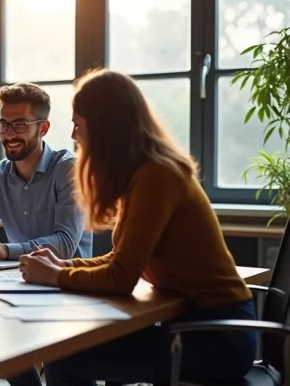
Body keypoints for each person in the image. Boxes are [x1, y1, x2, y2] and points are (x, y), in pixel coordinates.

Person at [18, 68, 256, 385]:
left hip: (217, 337)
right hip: (193, 324)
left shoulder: (157, 176)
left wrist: (56, 275)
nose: (74, 136)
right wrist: (65, 264)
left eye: (78, 124)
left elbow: (120, 278)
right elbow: (122, 258)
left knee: (66, 354)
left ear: (104, 127)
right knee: (84, 346)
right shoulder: (144, 173)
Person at [0, 82, 93, 263]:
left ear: (43, 128)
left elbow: (65, 245)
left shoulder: (69, 170)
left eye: (20, 125)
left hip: (68, 283)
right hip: (17, 279)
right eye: (3, 125)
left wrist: (5, 249)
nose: (9, 135)